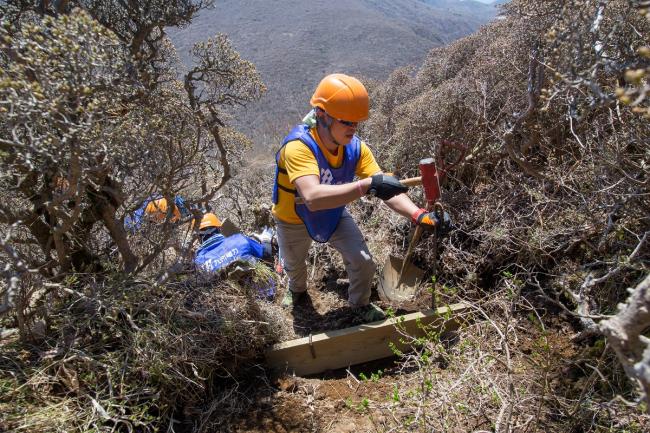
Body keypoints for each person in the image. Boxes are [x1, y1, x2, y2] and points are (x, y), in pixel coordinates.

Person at [272, 73, 451, 322]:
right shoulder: (298, 147)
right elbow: (312, 196)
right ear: (322, 115)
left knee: (363, 262)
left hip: (333, 213)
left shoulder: (355, 149)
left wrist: (418, 214)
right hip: (293, 220)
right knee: (295, 266)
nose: (353, 128)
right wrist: (365, 186)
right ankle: (297, 290)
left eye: (356, 122)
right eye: (346, 121)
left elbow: (386, 189)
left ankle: (360, 305)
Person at [193, 213, 276, 298]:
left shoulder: (198, 261)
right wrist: (265, 240)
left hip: (227, 306)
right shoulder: (239, 239)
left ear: (199, 237)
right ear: (218, 228)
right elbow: (266, 254)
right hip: (265, 296)